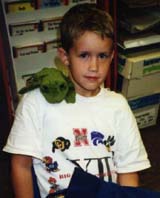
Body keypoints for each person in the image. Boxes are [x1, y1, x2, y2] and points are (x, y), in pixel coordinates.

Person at [3, 3, 150, 198]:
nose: (94, 66)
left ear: (112, 56)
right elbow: (21, 165)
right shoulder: (35, 102)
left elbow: (128, 170)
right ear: (65, 56)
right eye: (84, 55)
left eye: (102, 56)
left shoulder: (118, 106)